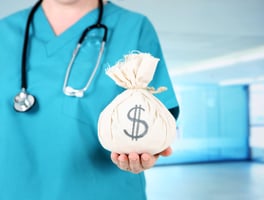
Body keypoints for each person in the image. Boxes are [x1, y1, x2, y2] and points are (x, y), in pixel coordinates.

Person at [0, 0, 179, 199]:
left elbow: (157, 120)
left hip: (105, 192)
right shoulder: (3, 31)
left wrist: (150, 149)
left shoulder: (134, 27)